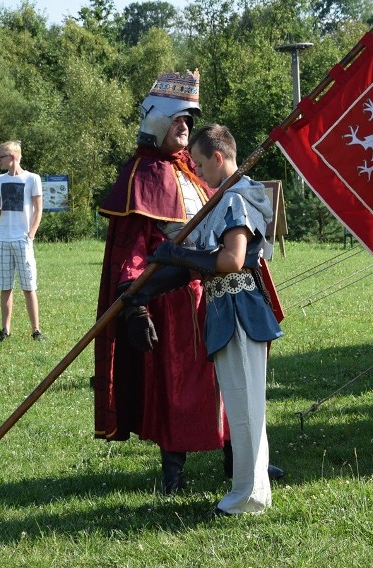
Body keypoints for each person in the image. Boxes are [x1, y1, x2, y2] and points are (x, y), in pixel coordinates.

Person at [93, 70, 225, 493]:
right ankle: (174, 474)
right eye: (177, 120)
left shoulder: (192, 171)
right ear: (155, 123)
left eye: (188, 121)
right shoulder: (142, 174)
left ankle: (240, 461)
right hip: (169, 299)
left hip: (211, 291)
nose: (184, 128)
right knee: (177, 383)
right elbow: (132, 248)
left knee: (226, 377)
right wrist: (134, 302)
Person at [148, 123, 283, 515]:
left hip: (240, 311)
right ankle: (250, 491)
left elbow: (231, 260)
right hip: (227, 312)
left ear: (219, 158)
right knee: (241, 406)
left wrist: (181, 257)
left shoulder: (235, 200)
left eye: (202, 164)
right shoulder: (223, 199)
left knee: (245, 408)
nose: (200, 172)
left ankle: (249, 496)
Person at [0, 140, 44, 342]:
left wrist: (31, 234)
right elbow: (4, 207)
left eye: (1, 157)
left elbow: (38, 210)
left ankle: (36, 330)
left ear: (12, 157)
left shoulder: (32, 179)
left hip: (22, 239)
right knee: (5, 286)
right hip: (3, 238)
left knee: (29, 285)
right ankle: (5, 330)